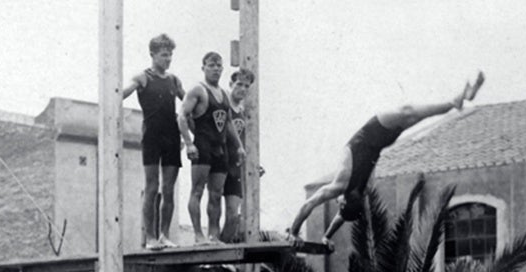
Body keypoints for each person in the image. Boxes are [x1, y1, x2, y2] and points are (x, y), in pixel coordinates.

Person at [288, 71, 485, 245]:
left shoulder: (350, 189)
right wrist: (308, 234)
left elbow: (328, 212)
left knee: (411, 113)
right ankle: (454, 102)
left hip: (377, 138)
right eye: (341, 203)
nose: (338, 202)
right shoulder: (347, 188)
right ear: (344, 201)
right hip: (377, 136)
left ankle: (456, 101)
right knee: (410, 113)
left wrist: (313, 235)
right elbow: (323, 210)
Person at [122, 33, 185, 251]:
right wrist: (115, 94)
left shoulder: (174, 80)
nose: (168, 59)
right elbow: (124, 91)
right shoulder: (143, 77)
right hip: (151, 136)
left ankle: (165, 235)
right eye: (164, 55)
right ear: (153, 55)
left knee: (169, 189)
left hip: (171, 136)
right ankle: (150, 237)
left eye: (170, 56)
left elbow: (188, 103)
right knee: (152, 187)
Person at [179, 52, 245, 245]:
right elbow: (182, 116)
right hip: (203, 146)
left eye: (219, 66)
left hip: (220, 148)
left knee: (216, 194)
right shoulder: (198, 90)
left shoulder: (224, 94)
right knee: (197, 191)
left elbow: (229, 122)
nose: (216, 69)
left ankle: (213, 236)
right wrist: (189, 143)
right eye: (212, 65)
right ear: (204, 67)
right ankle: (198, 235)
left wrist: (239, 147)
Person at [221, 68, 256, 243]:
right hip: (218, 161)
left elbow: (243, 140)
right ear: (231, 84)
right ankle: (210, 246)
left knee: (233, 215)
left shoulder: (243, 111)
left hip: (234, 166)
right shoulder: (221, 102)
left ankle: (220, 252)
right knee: (214, 208)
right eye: (239, 84)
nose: (242, 89)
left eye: (246, 86)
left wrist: (254, 163)